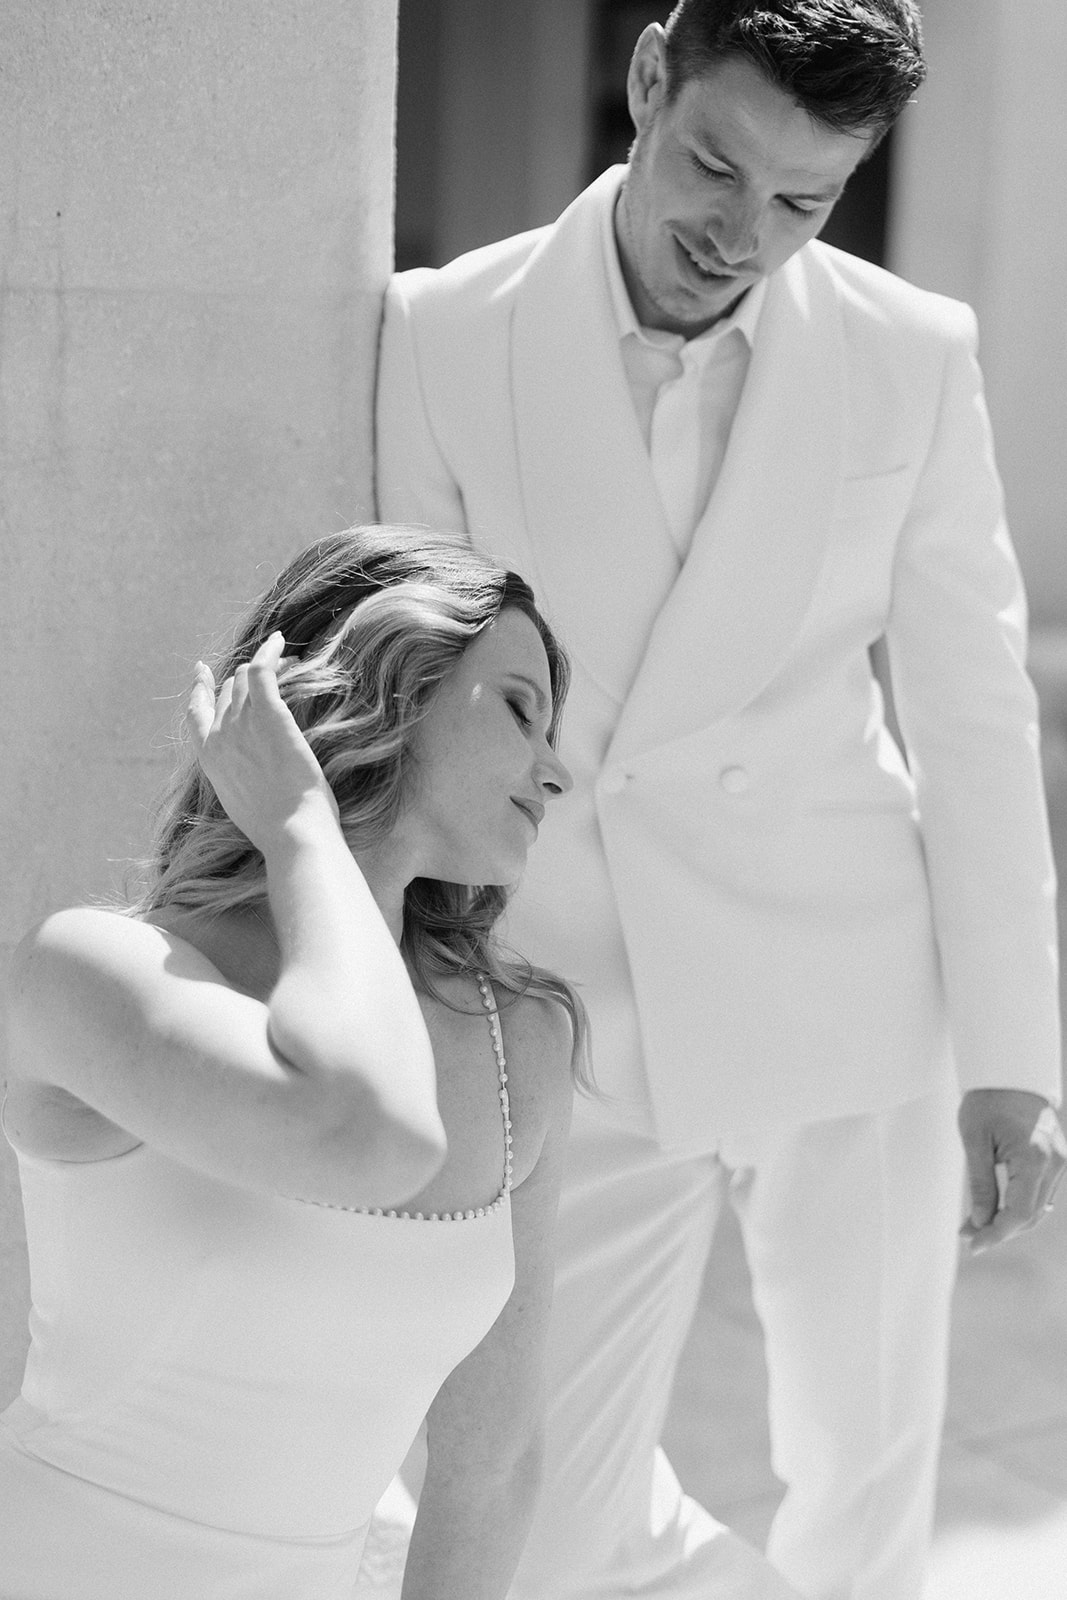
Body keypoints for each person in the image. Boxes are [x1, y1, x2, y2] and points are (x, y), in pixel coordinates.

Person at [374, 4, 1067, 1597]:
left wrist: (1012, 1057)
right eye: (712, 168)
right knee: (550, 1497)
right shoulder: (444, 332)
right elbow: (416, 688)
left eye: (802, 204)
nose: (738, 235)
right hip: (569, 993)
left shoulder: (909, 352)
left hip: (847, 982)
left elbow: (966, 715)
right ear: (643, 85)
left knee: (865, 1485)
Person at [0, 525, 586, 1600]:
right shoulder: (95, 972)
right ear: (393, 688)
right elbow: (364, 1131)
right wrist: (304, 831)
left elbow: (488, 1469)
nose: (556, 768)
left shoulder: (520, 1041)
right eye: (517, 706)